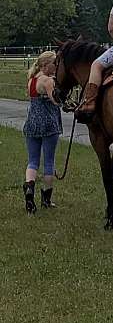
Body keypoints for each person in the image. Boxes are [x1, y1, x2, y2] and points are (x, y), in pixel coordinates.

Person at [23, 51, 62, 213]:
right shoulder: (47, 81)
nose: (56, 67)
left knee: (32, 161)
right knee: (49, 162)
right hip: (48, 125)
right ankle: (46, 198)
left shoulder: (32, 80)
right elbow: (56, 101)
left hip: (32, 123)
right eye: (54, 63)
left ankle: (29, 189)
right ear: (46, 65)